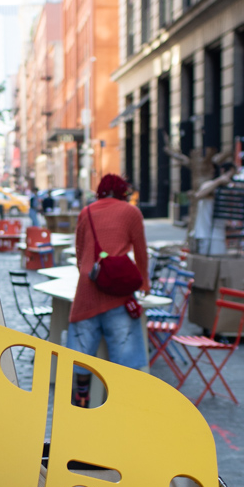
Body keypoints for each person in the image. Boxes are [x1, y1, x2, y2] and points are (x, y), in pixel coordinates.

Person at [67, 173, 150, 406]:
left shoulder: (87, 212)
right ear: (123, 191)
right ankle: (121, 401)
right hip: (119, 292)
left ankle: (82, 394)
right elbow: (141, 252)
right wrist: (144, 281)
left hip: (88, 289)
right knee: (125, 354)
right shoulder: (131, 212)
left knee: (81, 352)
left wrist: (90, 275)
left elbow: (80, 251)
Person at [191, 162, 235, 255]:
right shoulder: (210, 185)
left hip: (218, 235)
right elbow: (199, 195)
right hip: (205, 234)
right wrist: (219, 181)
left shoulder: (226, 189)